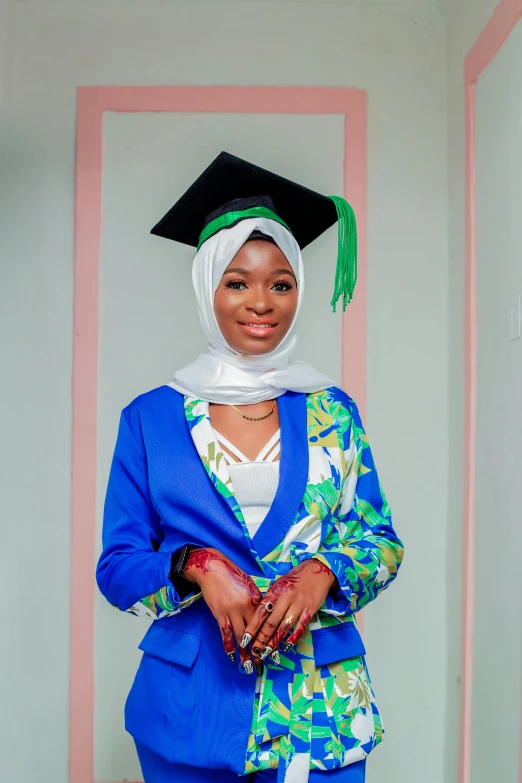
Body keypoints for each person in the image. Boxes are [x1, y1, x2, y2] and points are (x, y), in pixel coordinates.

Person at [96, 152, 404, 783]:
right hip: (189, 710)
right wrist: (196, 566)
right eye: (237, 282)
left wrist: (324, 572)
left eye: (281, 283)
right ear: (207, 288)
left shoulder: (332, 412)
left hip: (321, 709)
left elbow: (381, 541)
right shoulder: (149, 420)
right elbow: (118, 569)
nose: (261, 302)